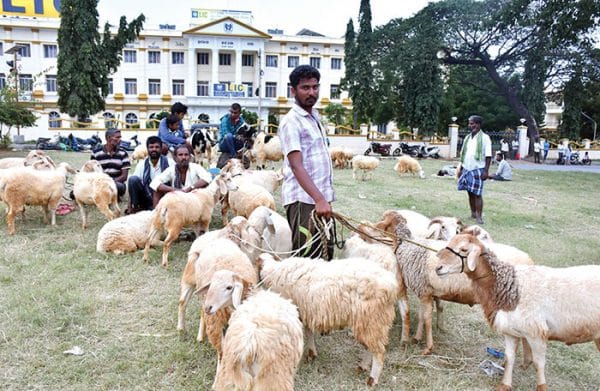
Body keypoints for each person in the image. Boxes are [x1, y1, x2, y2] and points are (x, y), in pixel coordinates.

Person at [279, 64, 335, 260]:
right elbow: (296, 165)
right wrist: (318, 199)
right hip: (303, 201)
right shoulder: (291, 121)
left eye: (315, 87)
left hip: (319, 199)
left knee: (325, 255)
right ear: (293, 90)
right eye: (305, 88)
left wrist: (323, 199)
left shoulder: (314, 117)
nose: (311, 92)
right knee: (308, 261)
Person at [457, 115, 492, 225]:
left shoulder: (485, 138)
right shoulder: (467, 138)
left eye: (472, 123)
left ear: (478, 124)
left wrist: (486, 171)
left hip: (478, 169)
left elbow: (488, 156)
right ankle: (472, 212)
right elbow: (463, 153)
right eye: (469, 123)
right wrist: (461, 168)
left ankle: (479, 216)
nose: (470, 125)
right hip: (467, 168)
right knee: (470, 192)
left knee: (477, 194)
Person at [126, 136, 173, 214]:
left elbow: (174, 184)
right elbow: (133, 185)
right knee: (133, 179)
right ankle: (136, 208)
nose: (154, 149)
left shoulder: (170, 163)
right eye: (151, 147)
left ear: (161, 149)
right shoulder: (141, 164)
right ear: (147, 149)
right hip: (146, 198)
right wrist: (129, 206)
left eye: (157, 147)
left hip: (165, 198)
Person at [91, 128, 130, 199]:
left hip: (116, 183)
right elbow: (93, 174)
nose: (120, 140)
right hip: (100, 183)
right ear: (109, 138)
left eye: (120, 137)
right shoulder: (96, 153)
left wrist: (109, 182)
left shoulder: (123, 153)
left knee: (119, 187)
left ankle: (106, 195)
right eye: (117, 137)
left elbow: (124, 177)